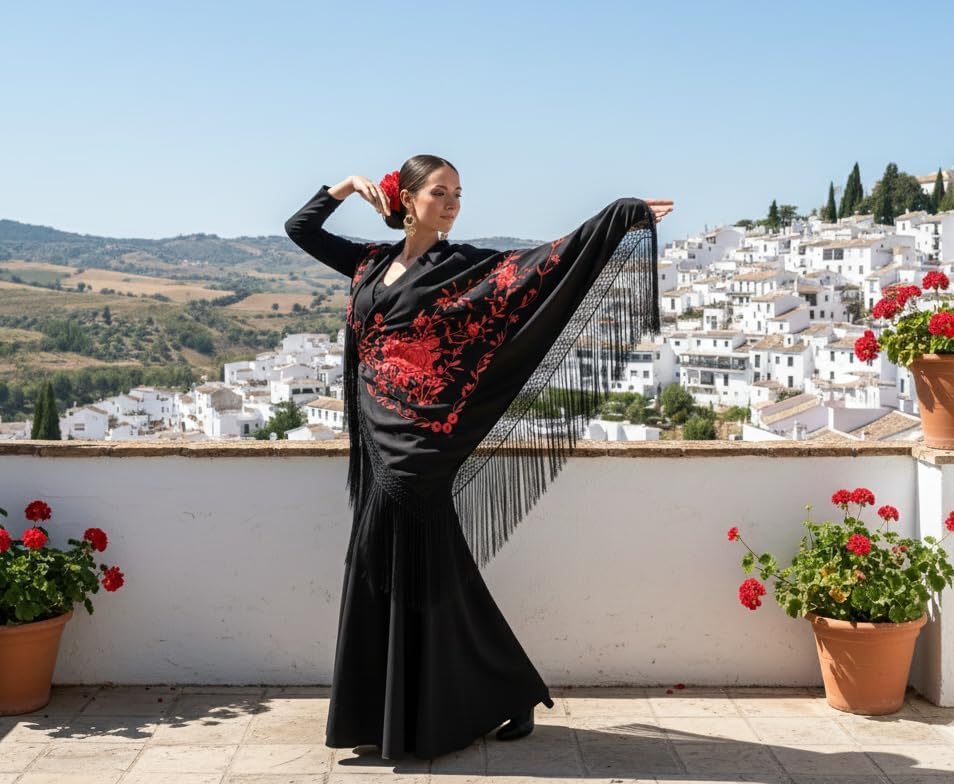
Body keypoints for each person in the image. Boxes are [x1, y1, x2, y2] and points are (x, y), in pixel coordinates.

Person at [285, 154, 672, 760]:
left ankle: (454, 701)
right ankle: (485, 695)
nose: (453, 204)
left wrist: (617, 218)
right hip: (375, 437)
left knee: (407, 561)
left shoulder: (458, 266)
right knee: (418, 566)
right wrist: (345, 186)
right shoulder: (368, 262)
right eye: (440, 193)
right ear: (405, 200)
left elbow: (545, 265)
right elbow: (300, 230)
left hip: (422, 444)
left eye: (458, 195)